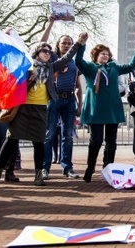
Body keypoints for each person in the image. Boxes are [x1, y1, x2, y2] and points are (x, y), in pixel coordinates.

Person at [0, 35, 81, 189]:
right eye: (44, 51)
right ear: (37, 53)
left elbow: (67, 58)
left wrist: (78, 43)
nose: (47, 53)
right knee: (10, 140)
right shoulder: (28, 67)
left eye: (49, 52)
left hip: (41, 109)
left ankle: (38, 175)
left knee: (39, 142)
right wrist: (28, 81)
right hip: (23, 108)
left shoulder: (50, 68)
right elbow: (13, 85)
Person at [75, 34, 135, 183]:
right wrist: (81, 44)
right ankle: (90, 168)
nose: (105, 56)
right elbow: (78, 61)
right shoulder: (90, 68)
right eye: (102, 53)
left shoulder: (114, 67)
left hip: (112, 109)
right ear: (96, 55)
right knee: (96, 140)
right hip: (96, 109)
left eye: (107, 54)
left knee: (111, 141)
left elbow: (131, 67)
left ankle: (108, 168)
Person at [39, 18, 84, 180]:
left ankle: (67, 168)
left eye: (69, 43)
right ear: (58, 45)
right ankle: (45, 168)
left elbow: (79, 84)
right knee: (49, 134)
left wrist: (80, 103)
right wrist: (50, 23)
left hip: (70, 100)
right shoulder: (51, 58)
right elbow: (42, 42)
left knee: (68, 136)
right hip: (54, 99)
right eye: (64, 42)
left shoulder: (73, 62)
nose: (66, 45)